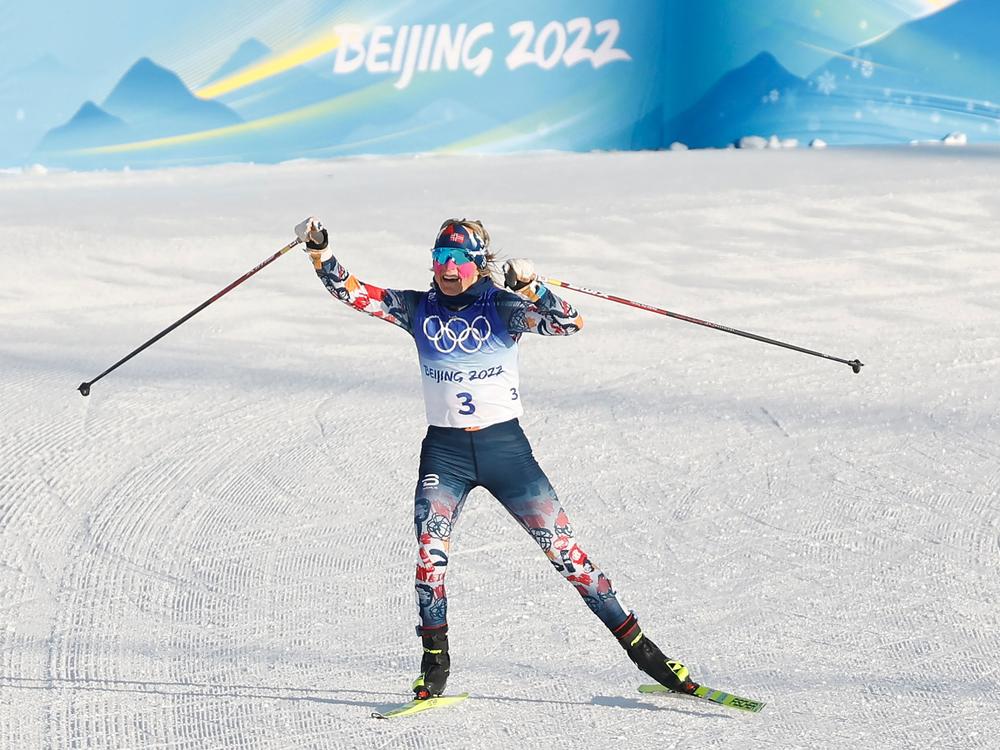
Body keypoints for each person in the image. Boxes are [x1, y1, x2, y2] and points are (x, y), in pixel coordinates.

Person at [295, 215, 695, 700]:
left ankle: (648, 655)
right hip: (446, 454)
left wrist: (533, 288)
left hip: (506, 452)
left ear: (479, 264)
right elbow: (352, 291)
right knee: (429, 555)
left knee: (567, 555)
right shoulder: (417, 307)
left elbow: (568, 321)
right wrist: (320, 251)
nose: (448, 268)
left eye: (459, 260)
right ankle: (434, 666)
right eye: (440, 258)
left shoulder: (501, 307)